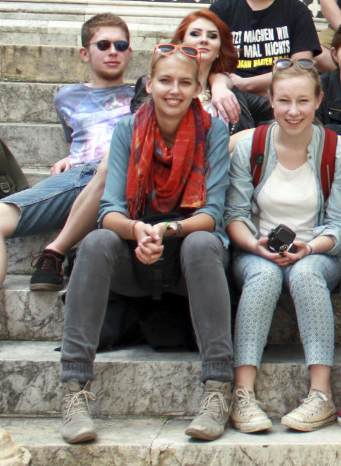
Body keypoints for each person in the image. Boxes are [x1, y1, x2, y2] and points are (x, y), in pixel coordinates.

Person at [58, 44, 233, 444]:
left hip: (185, 257)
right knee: (99, 240)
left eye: (185, 82)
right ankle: (73, 390)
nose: (174, 90)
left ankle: (217, 389)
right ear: (149, 84)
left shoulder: (214, 131)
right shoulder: (128, 129)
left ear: (198, 89)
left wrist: (167, 231)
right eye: (165, 80)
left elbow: (212, 212)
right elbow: (109, 211)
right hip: (134, 254)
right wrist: (138, 231)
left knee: (203, 242)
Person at [225, 61, 341, 433]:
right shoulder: (250, 145)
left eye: (303, 100)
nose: (293, 111)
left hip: (318, 251)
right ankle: (243, 394)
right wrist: (256, 245)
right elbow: (234, 214)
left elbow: (339, 225)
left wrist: (309, 247)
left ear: (318, 100)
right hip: (255, 249)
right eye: (284, 101)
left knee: (306, 273)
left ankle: (320, 395)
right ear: (270, 100)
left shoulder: (336, 149)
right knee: (264, 277)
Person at [5, 14, 135, 294]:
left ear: (130, 52)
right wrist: (69, 158)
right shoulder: (65, 97)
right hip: (79, 176)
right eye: (103, 45)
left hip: (123, 177)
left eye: (121, 45)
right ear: (84, 53)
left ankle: (55, 251)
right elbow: (78, 140)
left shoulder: (145, 93)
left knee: (112, 164)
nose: (113, 51)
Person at [131, 10, 272, 135]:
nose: (204, 40)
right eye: (195, 34)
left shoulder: (233, 95)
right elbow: (138, 129)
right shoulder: (153, 85)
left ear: (218, 51)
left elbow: (282, 108)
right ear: (181, 43)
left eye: (212, 36)